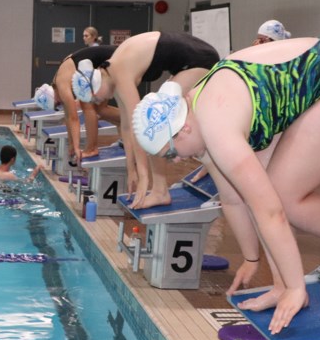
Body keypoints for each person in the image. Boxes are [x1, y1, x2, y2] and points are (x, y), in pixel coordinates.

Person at [131, 37, 320, 335]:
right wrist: (251, 258)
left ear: (183, 129)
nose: (180, 159)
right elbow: (234, 199)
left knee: (283, 199)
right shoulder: (197, 110)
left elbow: (271, 212)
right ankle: (282, 284)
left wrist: (298, 289)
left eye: (171, 153)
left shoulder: (217, 126)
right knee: (268, 192)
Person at [72, 31, 219, 209]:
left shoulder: (119, 72)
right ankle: (209, 163)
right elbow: (126, 127)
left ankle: (160, 191)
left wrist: (143, 178)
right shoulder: (111, 71)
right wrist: (131, 169)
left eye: (94, 98)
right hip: (189, 59)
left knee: (155, 127)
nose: (98, 102)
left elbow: (140, 128)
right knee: (158, 125)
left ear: (96, 85)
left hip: (200, 59)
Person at [34, 44, 120, 165]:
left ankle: (92, 148)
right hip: (112, 58)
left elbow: (74, 119)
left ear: (54, 96)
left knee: (88, 106)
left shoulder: (62, 86)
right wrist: (71, 144)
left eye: (57, 104)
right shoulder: (59, 80)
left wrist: (76, 147)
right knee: (101, 109)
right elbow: (69, 117)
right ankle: (127, 126)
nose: (60, 105)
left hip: (115, 58)